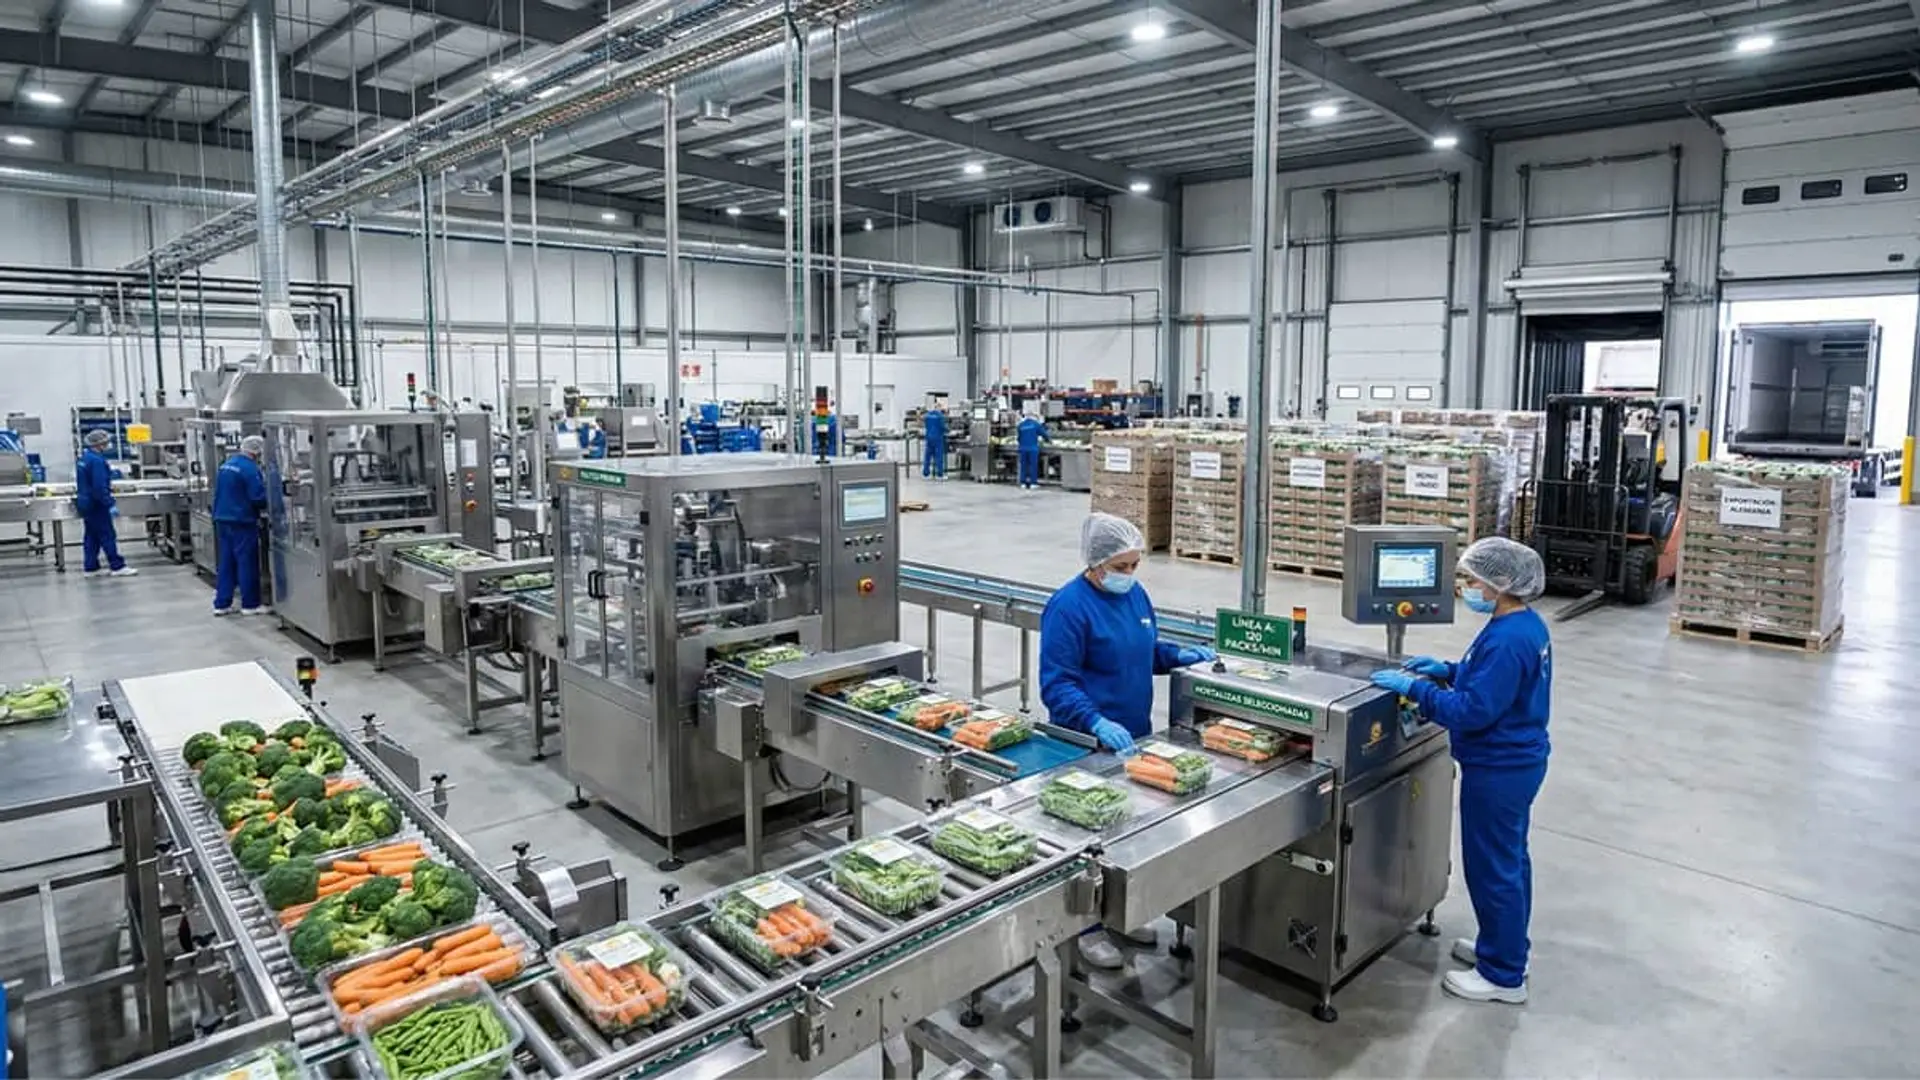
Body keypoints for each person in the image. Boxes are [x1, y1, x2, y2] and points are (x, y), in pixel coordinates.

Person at [1368, 537, 1551, 1005]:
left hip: (1499, 766)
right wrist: (1448, 670)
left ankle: (1503, 976)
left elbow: (1473, 711)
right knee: (1510, 860)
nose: (1468, 587)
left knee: (1494, 868)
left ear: (1501, 584)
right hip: (1515, 760)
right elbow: (1485, 678)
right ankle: (1505, 949)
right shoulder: (1518, 624)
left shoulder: (1510, 639)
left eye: (1474, 580)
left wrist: (1417, 690)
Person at [1041, 511, 1216, 969]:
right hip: (1086, 743)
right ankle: (1085, 928)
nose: (1129, 575)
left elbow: (1142, 651)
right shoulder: (1069, 607)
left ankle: (1115, 917)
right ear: (1096, 564)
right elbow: (1057, 684)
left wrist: (1176, 655)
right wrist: (1094, 721)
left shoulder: (1136, 595)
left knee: (1123, 832)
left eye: (1135, 565)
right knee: (1085, 839)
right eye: (1121, 567)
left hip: (1132, 738)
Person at [212, 434, 270, 616]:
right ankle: (250, 604)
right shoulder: (250, 469)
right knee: (247, 563)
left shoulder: (226, 465)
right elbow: (258, 497)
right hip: (241, 521)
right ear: (257, 453)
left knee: (227, 562)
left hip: (222, 519)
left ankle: (222, 604)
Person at [74, 429, 137, 577]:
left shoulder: (84, 458)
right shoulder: (97, 461)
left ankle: (90, 567)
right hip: (97, 505)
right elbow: (99, 487)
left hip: (85, 503)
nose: (108, 444)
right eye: (106, 442)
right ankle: (117, 566)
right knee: (107, 535)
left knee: (91, 536)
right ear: (100, 444)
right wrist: (109, 503)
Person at [1016, 412, 1049, 489]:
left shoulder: (1020, 425)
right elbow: (1044, 434)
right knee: (1033, 466)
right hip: (1032, 448)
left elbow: (1018, 438)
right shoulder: (1036, 424)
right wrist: (1048, 441)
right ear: (1033, 417)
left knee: (1023, 466)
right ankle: (1033, 483)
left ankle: (1023, 483)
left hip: (1023, 448)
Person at [921, 404, 947, 480]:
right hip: (937, 438)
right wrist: (949, 430)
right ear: (939, 408)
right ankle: (940, 475)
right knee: (938, 457)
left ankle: (926, 474)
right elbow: (942, 427)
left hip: (929, 438)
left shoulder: (927, 415)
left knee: (927, 456)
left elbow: (926, 425)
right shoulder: (940, 416)